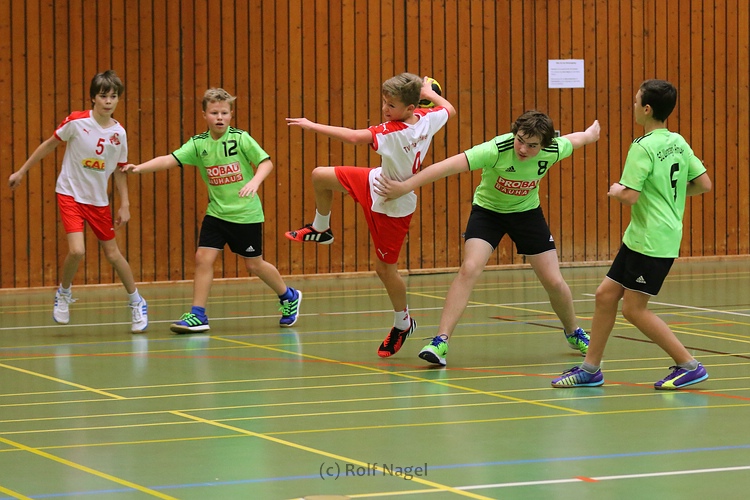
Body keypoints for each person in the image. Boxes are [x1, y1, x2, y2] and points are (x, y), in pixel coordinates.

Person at [374, 111, 600, 366]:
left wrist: (591, 133)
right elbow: (445, 167)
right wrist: (405, 187)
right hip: (488, 213)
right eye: (520, 140)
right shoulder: (496, 149)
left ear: (544, 145)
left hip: (527, 214)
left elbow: (576, 139)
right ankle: (440, 341)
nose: (523, 149)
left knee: (554, 281)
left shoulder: (553, 150)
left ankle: (573, 332)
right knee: (469, 268)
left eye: (531, 145)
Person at [551, 79, 712, 390]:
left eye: (636, 101)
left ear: (647, 109)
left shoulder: (643, 146)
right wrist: (667, 196)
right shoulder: (678, 142)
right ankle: (590, 369)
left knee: (634, 310)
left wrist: (616, 190)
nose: (633, 106)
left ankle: (689, 365)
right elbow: (703, 184)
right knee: (605, 296)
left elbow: (630, 195)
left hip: (651, 241)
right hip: (643, 237)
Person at [285, 73, 456, 357]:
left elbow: (354, 137)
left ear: (409, 108)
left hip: (392, 204)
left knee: (385, 270)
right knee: (320, 176)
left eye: (391, 105)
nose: (385, 109)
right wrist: (431, 93)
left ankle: (403, 323)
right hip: (375, 180)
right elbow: (449, 108)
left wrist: (311, 125)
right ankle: (321, 228)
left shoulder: (393, 132)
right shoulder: (428, 118)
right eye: (384, 102)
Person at [122, 88, 301, 334]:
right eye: (214, 112)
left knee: (254, 265)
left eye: (224, 113)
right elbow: (169, 159)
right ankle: (198, 314)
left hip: (245, 214)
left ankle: (289, 296)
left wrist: (254, 182)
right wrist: (139, 168)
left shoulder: (240, 138)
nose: (219, 117)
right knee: (202, 258)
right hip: (216, 213)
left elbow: (265, 162)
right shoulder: (198, 144)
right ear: (204, 114)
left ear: (231, 115)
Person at [8, 70, 148, 334]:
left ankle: (137, 301)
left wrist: (125, 204)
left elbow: (120, 169)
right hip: (69, 193)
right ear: (93, 98)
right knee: (77, 251)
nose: (108, 101)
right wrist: (22, 171)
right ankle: (63, 293)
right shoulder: (76, 121)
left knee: (113, 254)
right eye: (103, 96)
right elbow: (49, 144)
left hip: (98, 201)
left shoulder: (119, 134)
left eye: (113, 96)